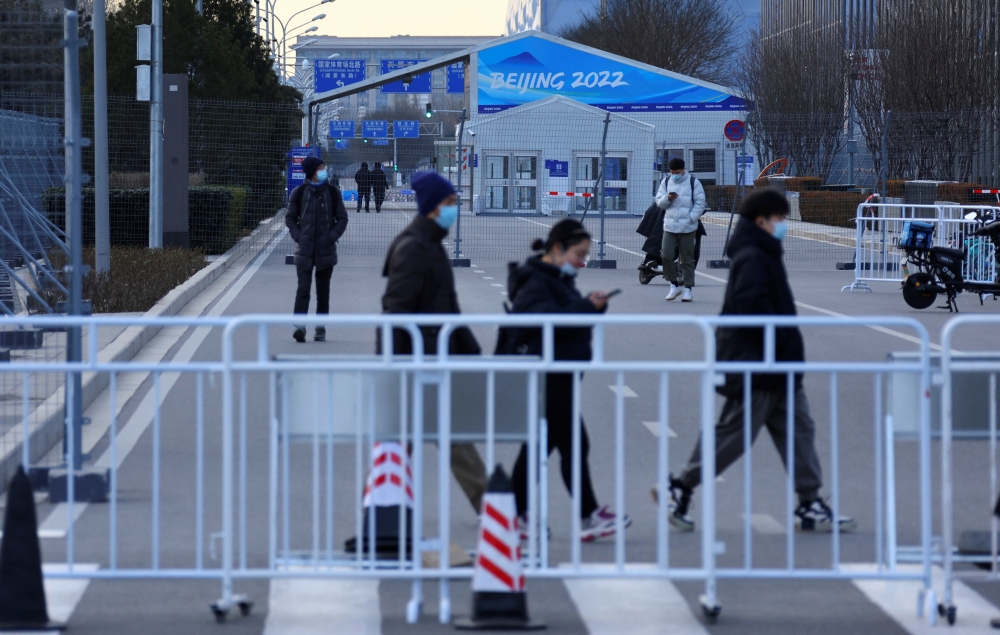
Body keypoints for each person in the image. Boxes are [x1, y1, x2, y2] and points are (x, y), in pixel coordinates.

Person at [663, 189, 856, 534]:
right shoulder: (753, 255)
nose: (783, 225)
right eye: (780, 219)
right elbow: (752, 306)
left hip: (776, 363)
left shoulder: (762, 251)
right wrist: (778, 344)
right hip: (759, 364)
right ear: (762, 220)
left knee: (800, 431)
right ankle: (683, 486)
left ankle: (809, 502)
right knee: (734, 435)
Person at [502, 219, 632, 542]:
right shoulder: (536, 280)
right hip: (548, 373)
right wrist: (588, 306)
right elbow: (544, 319)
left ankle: (515, 515)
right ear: (558, 249)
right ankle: (588, 517)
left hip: (558, 372)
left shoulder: (554, 276)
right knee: (570, 444)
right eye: (579, 253)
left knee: (540, 446)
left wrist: (590, 306)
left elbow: (567, 314)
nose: (582, 261)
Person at [380, 171, 488, 513]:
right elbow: (395, 311)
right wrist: (391, 367)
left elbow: (448, 309)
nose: (455, 210)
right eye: (450, 203)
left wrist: (470, 353)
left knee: (408, 441)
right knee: (441, 437)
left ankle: (383, 512)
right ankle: (495, 510)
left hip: (431, 357)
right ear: (431, 207)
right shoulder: (414, 249)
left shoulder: (430, 245)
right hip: (417, 362)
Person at [285, 156, 349, 343]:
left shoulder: (332, 192)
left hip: (326, 250)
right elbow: (290, 219)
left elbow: (342, 218)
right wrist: (299, 236)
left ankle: (320, 328)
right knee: (303, 289)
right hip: (304, 250)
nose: (324, 170)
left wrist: (331, 237)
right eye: (320, 167)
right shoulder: (299, 193)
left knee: (323, 291)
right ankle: (300, 326)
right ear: (311, 171)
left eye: (324, 167)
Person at [655, 157, 706, 302]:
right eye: (672, 172)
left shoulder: (693, 182)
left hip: (688, 227)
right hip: (670, 226)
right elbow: (659, 202)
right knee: (665, 255)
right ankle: (674, 285)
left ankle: (688, 288)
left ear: (683, 170)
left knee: (687, 258)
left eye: (677, 172)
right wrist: (668, 198)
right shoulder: (666, 182)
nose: (674, 175)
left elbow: (700, 202)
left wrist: (691, 218)